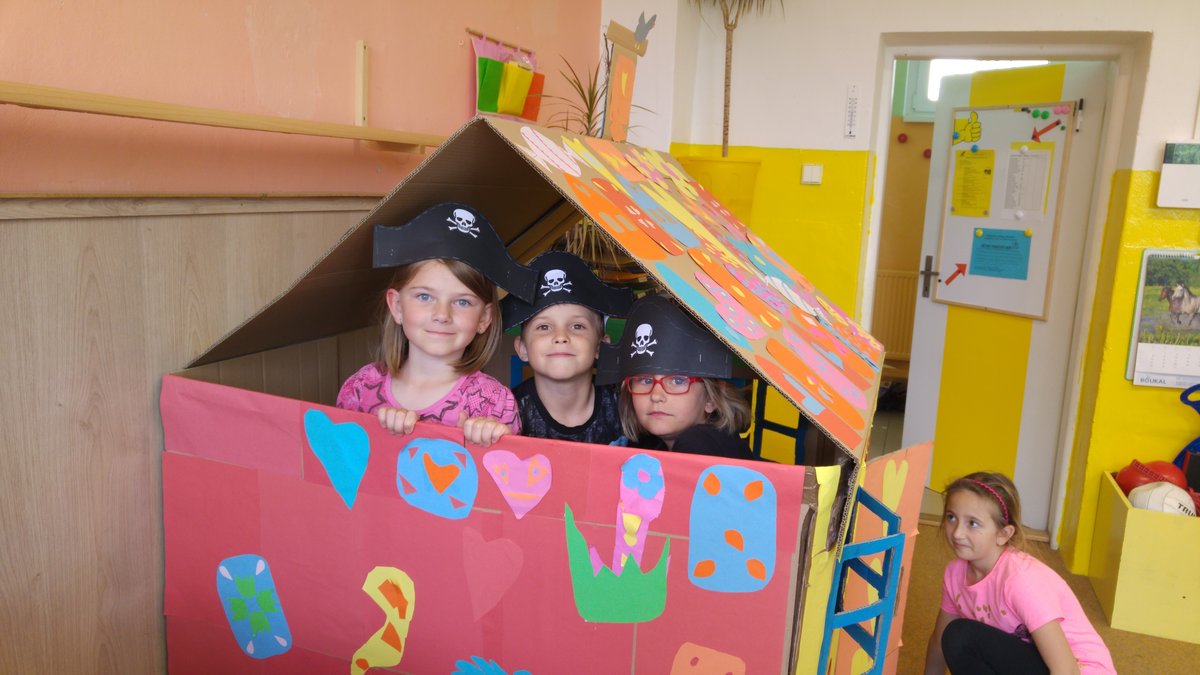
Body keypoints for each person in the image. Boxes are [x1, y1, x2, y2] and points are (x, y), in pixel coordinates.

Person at [336, 202, 537, 448]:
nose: (442, 315)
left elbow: (508, 468)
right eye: (424, 297)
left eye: (462, 302)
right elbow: (336, 461)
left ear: (484, 318)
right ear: (397, 306)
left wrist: (492, 443)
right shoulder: (362, 388)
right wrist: (380, 434)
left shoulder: (493, 403)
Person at [924, 472, 1116, 675]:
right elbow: (938, 642)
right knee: (956, 638)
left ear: (1003, 534)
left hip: (1078, 670)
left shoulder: (1021, 580)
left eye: (972, 523)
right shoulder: (955, 574)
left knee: (961, 636)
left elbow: (1066, 669)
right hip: (1035, 662)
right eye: (951, 517)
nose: (957, 533)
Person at [599, 293, 756, 461]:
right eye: (645, 380)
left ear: (711, 399)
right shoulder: (651, 444)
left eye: (677, 380)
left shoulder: (699, 444)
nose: (656, 395)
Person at [500, 250, 634, 444]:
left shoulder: (626, 408)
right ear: (522, 348)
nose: (561, 337)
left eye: (577, 326)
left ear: (601, 346)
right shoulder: (505, 414)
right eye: (544, 327)